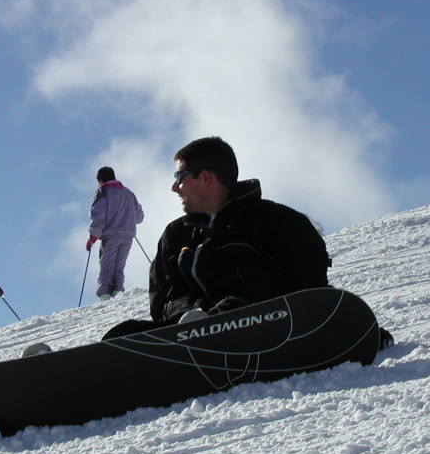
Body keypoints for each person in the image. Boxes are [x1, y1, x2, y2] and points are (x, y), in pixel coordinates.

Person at [102, 136, 393, 349]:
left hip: (266, 332)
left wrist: (239, 309)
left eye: (180, 177)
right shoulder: (175, 237)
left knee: (236, 310)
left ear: (205, 177)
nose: (174, 187)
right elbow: (163, 302)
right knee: (121, 334)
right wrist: (196, 317)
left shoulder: (279, 223)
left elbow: (309, 293)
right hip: (189, 339)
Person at [87, 166, 144, 300]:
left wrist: (92, 237)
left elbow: (98, 216)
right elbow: (139, 217)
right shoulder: (129, 193)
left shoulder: (103, 192)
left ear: (100, 180)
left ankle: (105, 293)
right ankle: (118, 290)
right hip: (128, 236)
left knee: (107, 263)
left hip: (110, 236)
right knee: (119, 264)